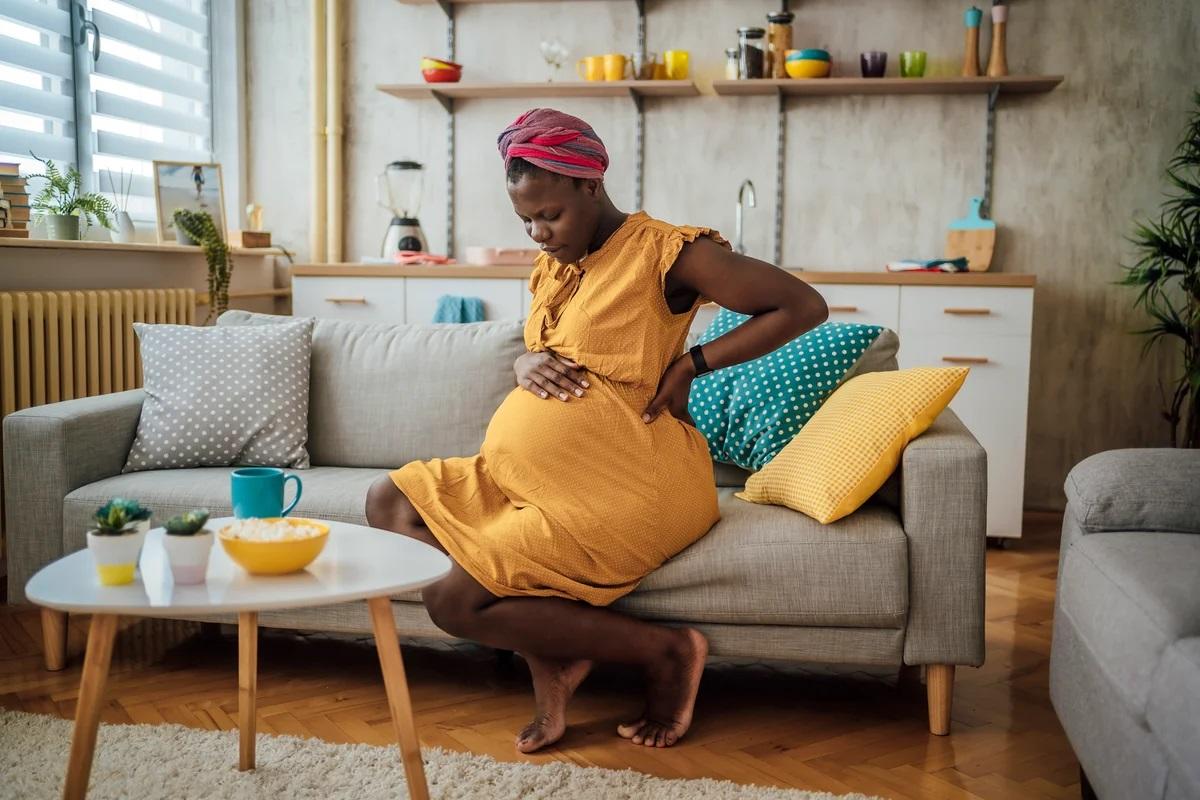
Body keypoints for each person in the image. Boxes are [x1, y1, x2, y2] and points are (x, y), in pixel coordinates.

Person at [365, 108, 828, 753]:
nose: (539, 232)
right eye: (525, 219)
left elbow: (802, 305)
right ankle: (553, 648)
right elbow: (545, 345)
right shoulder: (556, 264)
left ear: (591, 185)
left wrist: (693, 364)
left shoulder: (668, 254)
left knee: (454, 602)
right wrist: (526, 359)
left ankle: (666, 653)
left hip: (632, 483)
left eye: (549, 214)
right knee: (386, 500)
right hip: (532, 479)